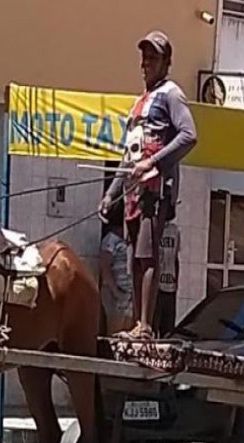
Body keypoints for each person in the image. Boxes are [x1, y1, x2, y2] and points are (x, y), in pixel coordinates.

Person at [99, 30, 197, 340]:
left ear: (166, 62)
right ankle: (136, 323)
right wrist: (111, 194)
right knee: (132, 258)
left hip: (155, 190)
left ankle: (146, 325)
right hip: (132, 192)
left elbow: (188, 136)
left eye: (153, 58)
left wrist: (153, 164)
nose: (146, 63)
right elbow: (128, 156)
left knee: (146, 255)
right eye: (144, 57)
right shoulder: (140, 102)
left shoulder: (171, 94)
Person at [99, 207, 133, 335]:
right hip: (115, 294)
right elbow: (105, 267)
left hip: (129, 295)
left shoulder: (130, 239)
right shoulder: (111, 239)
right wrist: (117, 293)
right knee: (115, 333)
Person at [153, 214, 180, 338]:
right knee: (153, 328)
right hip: (155, 288)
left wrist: (176, 284)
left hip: (170, 286)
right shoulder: (152, 226)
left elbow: (176, 257)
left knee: (168, 330)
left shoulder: (174, 230)